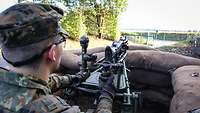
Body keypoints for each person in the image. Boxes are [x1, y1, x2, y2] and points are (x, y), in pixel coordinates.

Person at [0, 3, 114, 113]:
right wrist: (107, 95)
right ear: (52, 52)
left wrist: (74, 78)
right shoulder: (49, 108)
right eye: (62, 41)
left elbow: (31, 84)